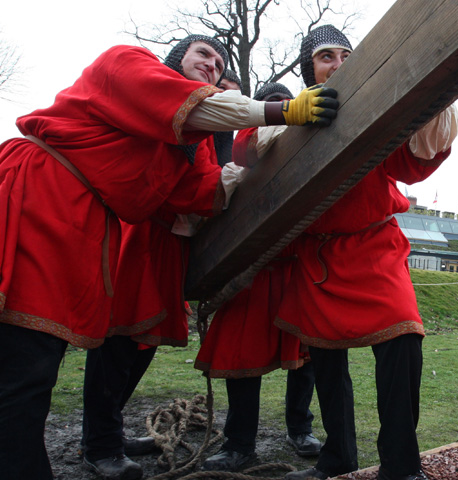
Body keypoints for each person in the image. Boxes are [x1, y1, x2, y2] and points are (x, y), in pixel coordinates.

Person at [0, 34, 338, 480]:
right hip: (42, 193)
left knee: (49, 354)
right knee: (30, 354)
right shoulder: (127, 63)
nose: (213, 64)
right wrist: (282, 111)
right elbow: (196, 110)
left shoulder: (189, 143)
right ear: (177, 58)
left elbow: (195, 192)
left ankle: (78, 445)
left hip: (89, 222)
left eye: (220, 63)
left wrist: (253, 173)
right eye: (204, 54)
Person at [269, 25, 458, 480]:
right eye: (327, 57)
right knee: (326, 363)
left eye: (347, 55)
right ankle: (338, 457)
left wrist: (433, 88)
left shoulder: (378, 114)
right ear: (310, 69)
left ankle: (400, 465)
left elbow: (412, 161)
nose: (339, 64)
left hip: (375, 247)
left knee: (403, 342)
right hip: (318, 259)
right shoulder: (290, 119)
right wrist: (285, 121)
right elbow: (255, 162)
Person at [194, 82, 323, 473]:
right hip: (250, 272)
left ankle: (300, 428)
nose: (279, 108)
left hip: (293, 268)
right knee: (240, 357)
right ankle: (239, 444)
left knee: (304, 359)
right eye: (271, 105)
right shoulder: (247, 146)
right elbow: (245, 147)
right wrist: (282, 113)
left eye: (285, 103)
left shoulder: (311, 148)